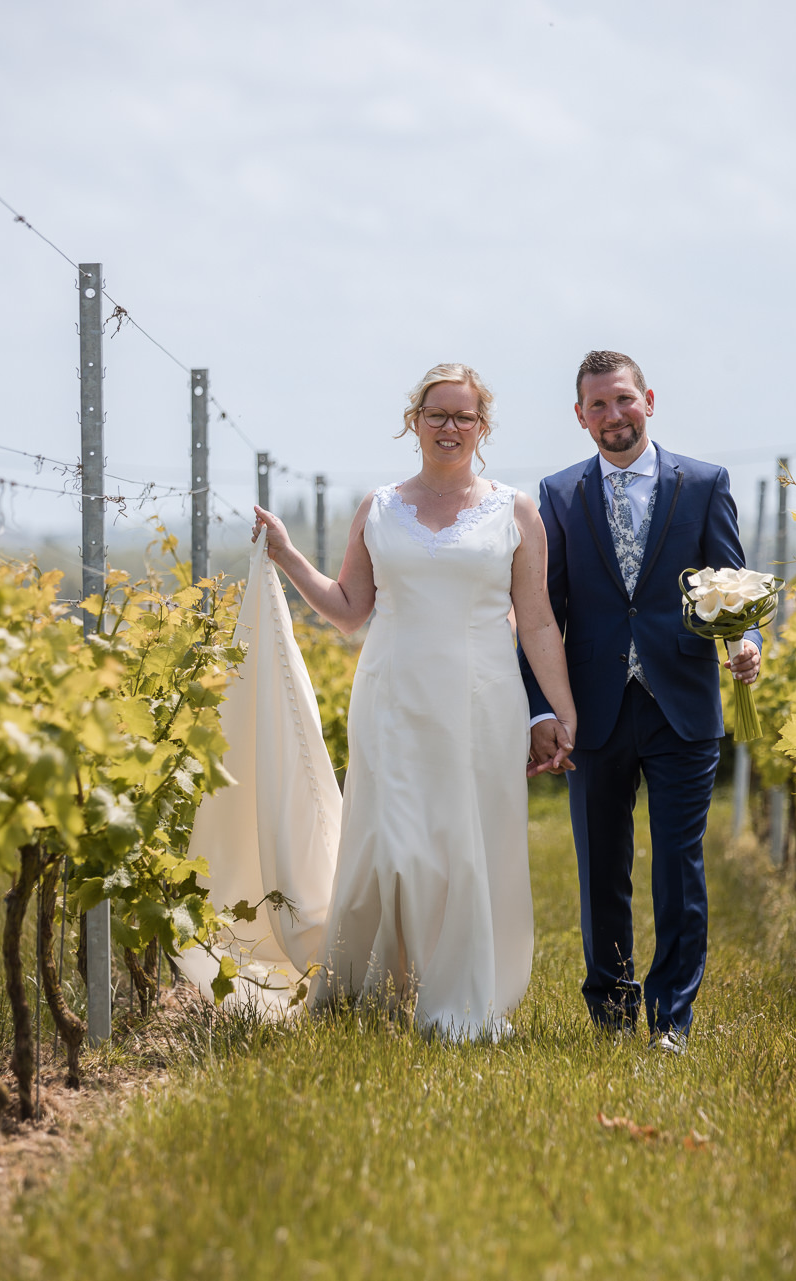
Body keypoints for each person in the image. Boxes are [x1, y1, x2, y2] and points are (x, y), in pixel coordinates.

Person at [250, 362, 579, 1039]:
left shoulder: (516, 511)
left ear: (482, 426)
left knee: (468, 841)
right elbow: (347, 610)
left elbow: (538, 619)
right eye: (437, 414)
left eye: (463, 416)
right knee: (395, 844)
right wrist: (286, 555)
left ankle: (459, 988)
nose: (450, 426)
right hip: (392, 695)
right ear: (414, 422)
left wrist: (560, 708)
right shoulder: (379, 507)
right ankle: (379, 985)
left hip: (482, 701)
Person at [521, 350, 763, 1054]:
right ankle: (611, 1009)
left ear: (648, 399)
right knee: (601, 864)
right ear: (580, 416)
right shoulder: (559, 495)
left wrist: (744, 641)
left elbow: (733, 583)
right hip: (593, 706)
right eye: (597, 405)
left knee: (677, 864)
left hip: (682, 701)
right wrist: (544, 708)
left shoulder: (704, 484)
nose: (612, 415)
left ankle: (673, 1019)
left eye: (622, 399)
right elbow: (544, 612)